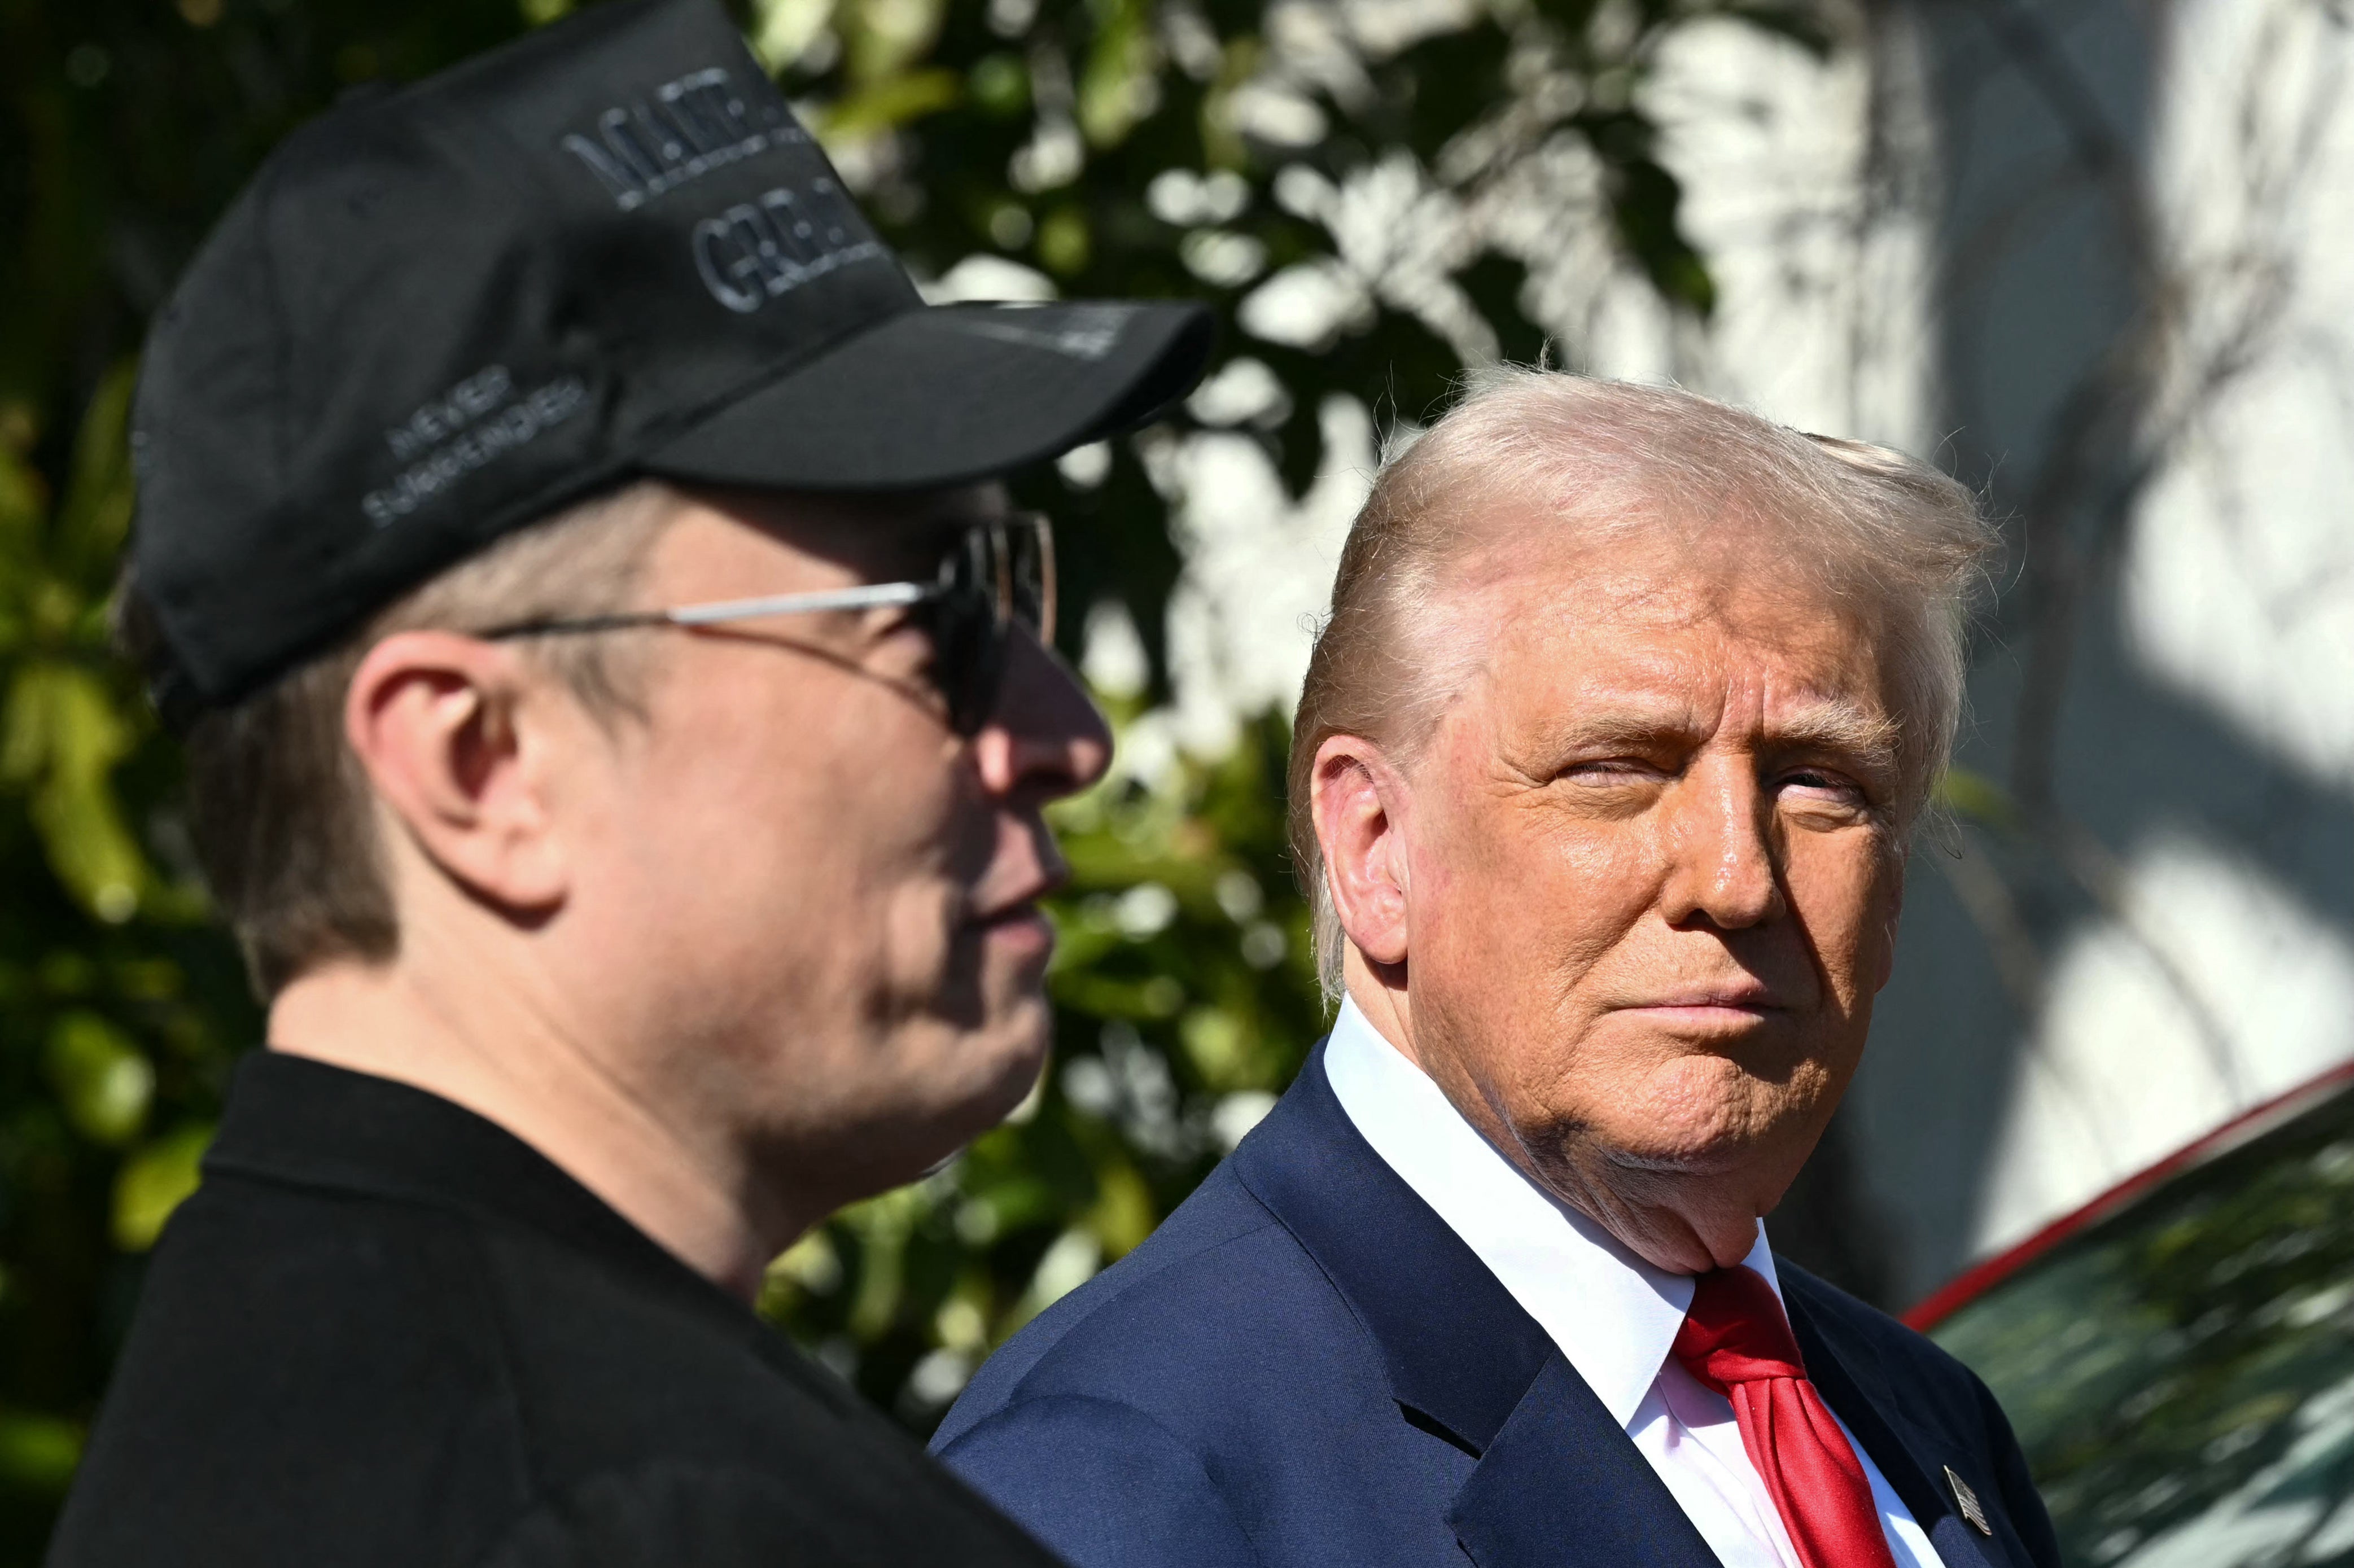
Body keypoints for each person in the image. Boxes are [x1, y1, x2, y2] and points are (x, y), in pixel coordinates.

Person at [46, 1, 1210, 1563]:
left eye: (1014, 586)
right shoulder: (667, 1522)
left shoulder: (292, 1402)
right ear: (485, 761)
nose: (1070, 732)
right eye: (939, 612)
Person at [934, 372, 2062, 1568]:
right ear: (1374, 848)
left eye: (1820, 783)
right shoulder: (1113, 1480)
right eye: (1616, 769)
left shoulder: (1931, 1432)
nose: (1736, 879)